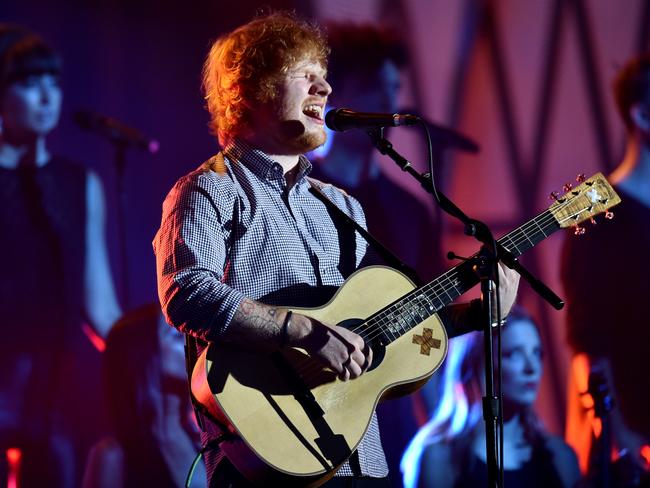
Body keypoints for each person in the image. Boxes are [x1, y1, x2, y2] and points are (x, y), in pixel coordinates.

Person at [153, 12, 519, 487]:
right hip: (263, 450)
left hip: (355, 452)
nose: (323, 89)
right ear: (247, 90)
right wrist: (303, 330)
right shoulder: (208, 190)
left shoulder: (341, 206)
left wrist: (479, 315)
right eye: (303, 76)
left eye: (323, 78)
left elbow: (376, 327)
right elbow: (186, 292)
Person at [308, 23, 443, 486]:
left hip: (395, 411)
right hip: (313, 405)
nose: (387, 109)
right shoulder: (301, 196)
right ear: (337, 98)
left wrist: (440, 421)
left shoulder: (409, 210)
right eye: (374, 91)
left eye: (393, 90)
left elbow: (433, 317)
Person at [0, 24, 121, 487]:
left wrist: (151, 361)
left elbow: (101, 307)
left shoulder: (80, 184)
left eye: (53, 83)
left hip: (56, 394)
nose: (47, 97)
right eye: (30, 84)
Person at [561, 53, 650, 483]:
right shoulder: (591, 205)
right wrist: (622, 437)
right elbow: (587, 338)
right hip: (631, 437)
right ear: (642, 113)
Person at [401, 307, 581, 488]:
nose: (531, 368)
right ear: (478, 363)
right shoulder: (439, 458)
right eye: (514, 354)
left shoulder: (560, 457)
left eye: (536, 353)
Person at [81, 304, 205, 488]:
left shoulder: (207, 438)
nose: (194, 342)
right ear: (143, 355)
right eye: (177, 336)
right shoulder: (113, 457)